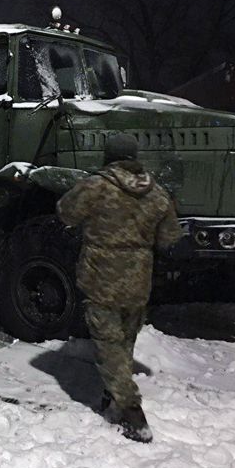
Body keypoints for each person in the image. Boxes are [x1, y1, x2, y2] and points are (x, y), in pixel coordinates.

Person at [56, 132, 182, 443]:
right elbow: (170, 238)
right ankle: (113, 397)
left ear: (109, 156)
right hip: (139, 281)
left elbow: (65, 211)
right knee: (124, 344)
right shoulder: (156, 193)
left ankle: (132, 412)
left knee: (109, 346)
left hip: (102, 280)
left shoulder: (97, 186)